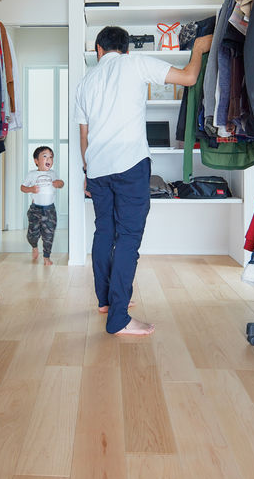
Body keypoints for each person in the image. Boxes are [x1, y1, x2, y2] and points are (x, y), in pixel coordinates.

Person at [75, 25, 210, 335]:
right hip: (130, 164)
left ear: (98, 50)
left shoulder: (85, 82)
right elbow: (189, 77)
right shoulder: (136, 63)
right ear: (126, 49)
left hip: (97, 168)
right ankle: (119, 318)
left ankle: (106, 301)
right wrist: (198, 49)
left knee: (104, 231)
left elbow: (84, 136)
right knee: (128, 237)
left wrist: (87, 171)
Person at [20, 145, 64, 265]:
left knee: (49, 235)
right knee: (32, 235)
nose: (49, 159)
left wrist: (59, 183)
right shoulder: (32, 174)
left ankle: (46, 257)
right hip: (35, 210)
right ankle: (34, 246)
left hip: (50, 210)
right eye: (45, 156)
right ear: (36, 161)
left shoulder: (53, 173)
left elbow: (61, 183)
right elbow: (22, 187)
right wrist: (31, 189)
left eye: (51, 157)